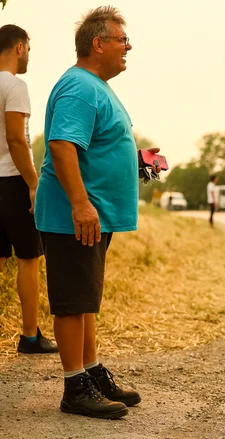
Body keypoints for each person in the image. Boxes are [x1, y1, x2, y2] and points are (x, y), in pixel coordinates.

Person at [35, 6, 160, 419]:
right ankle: (75, 388)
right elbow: (61, 145)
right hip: (75, 215)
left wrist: (135, 158)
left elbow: (95, 143)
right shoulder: (79, 87)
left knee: (85, 298)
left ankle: (91, 370)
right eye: (123, 40)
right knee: (72, 301)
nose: (129, 46)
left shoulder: (94, 86)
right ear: (98, 43)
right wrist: (80, 203)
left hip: (92, 214)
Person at [0, 24, 58, 355]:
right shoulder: (15, 85)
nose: (29, 56)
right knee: (28, 259)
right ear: (19, 46)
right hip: (12, 181)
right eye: (29, 49)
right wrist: (34, 184)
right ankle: (29, 337)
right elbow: (15, 138)